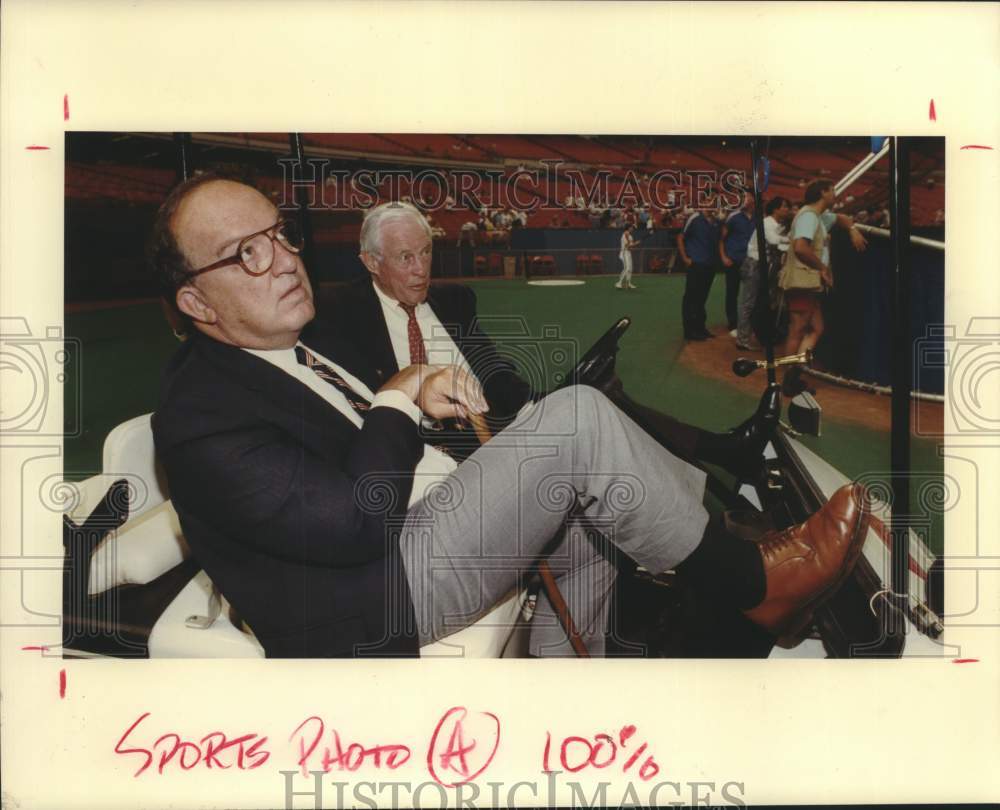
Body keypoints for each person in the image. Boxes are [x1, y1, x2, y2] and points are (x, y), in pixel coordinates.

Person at [150, 176, 871, 659]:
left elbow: (340, 445)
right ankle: (756, 584)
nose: (280, 261)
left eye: (278, 235)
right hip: (371, 598)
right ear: (195, 302)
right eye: (246, 253)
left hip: (409, 523)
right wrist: (399, 397)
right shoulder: (199, 413)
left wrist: (411, 401)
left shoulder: (284, 345)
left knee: (581, 509)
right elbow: (356, 520)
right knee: (580, 420)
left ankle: (563, 700)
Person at [327, 201, 779, 477]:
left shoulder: (452, 300)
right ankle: (723, 456)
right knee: (591, 418)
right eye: (405, 257)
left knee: (598, 401)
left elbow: (493, 367)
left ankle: (722, 452)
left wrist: (527, 402)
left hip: (500, 424)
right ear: (370, 262)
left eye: (425, 252)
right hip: (436, 452)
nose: (421, 268)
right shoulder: (344, 316)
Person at [778, 180, 868, 396]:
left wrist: (853, 229)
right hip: (803, 280)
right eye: (832, 190)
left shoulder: (817, 216)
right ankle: (788, 380)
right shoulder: (808, 216)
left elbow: (842, 219)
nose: (835, 194)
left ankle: (793, 374)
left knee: (816, 328)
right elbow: (801, 248)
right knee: (798, 328)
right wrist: (822, 268)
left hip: (808, 281)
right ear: (823, 193)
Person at [736, 196, 792, 351]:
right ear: (775, 209)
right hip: (754, 263)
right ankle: (742, 339)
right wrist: (792, 241)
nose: (787, 210)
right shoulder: (767, 223)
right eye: (784, 206)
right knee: (749, 302)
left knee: (758, 301)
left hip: (764, 265)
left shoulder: (778, 225)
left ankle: (748, 334)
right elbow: (774, 241)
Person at [677, 208, 720, 341]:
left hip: (710, 265)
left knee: (702, 298)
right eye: (709, 199)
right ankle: (689, 331)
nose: (712, 203)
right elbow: (680, 237)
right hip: (696, 264)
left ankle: (700, 328)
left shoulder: (716, 221)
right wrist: (685, 258)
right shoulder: (695, 218)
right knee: (691, 298)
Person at [719, 193, 756, 337]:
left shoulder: (759, 218)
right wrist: (723, 256)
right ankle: (733, 324)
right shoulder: (733, 217)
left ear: (753, 199)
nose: (744, 200)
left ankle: (748, 324)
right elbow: (722, 239)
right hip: (733, 260)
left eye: (747, 197)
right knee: (732, 293)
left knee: (751, 294)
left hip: (751, 261)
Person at [615, 224, 639, 290]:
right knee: (627, 268)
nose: (632, 229)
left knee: (630, 269)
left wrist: (634, 245)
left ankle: (628, 283)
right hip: (624, 253)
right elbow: (627, 246)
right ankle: (619, 283)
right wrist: (635, 244)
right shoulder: (625, 234)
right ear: (628, 228)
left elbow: (630, 248)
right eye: (631, 227)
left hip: (628, 253)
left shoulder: (630, 236)